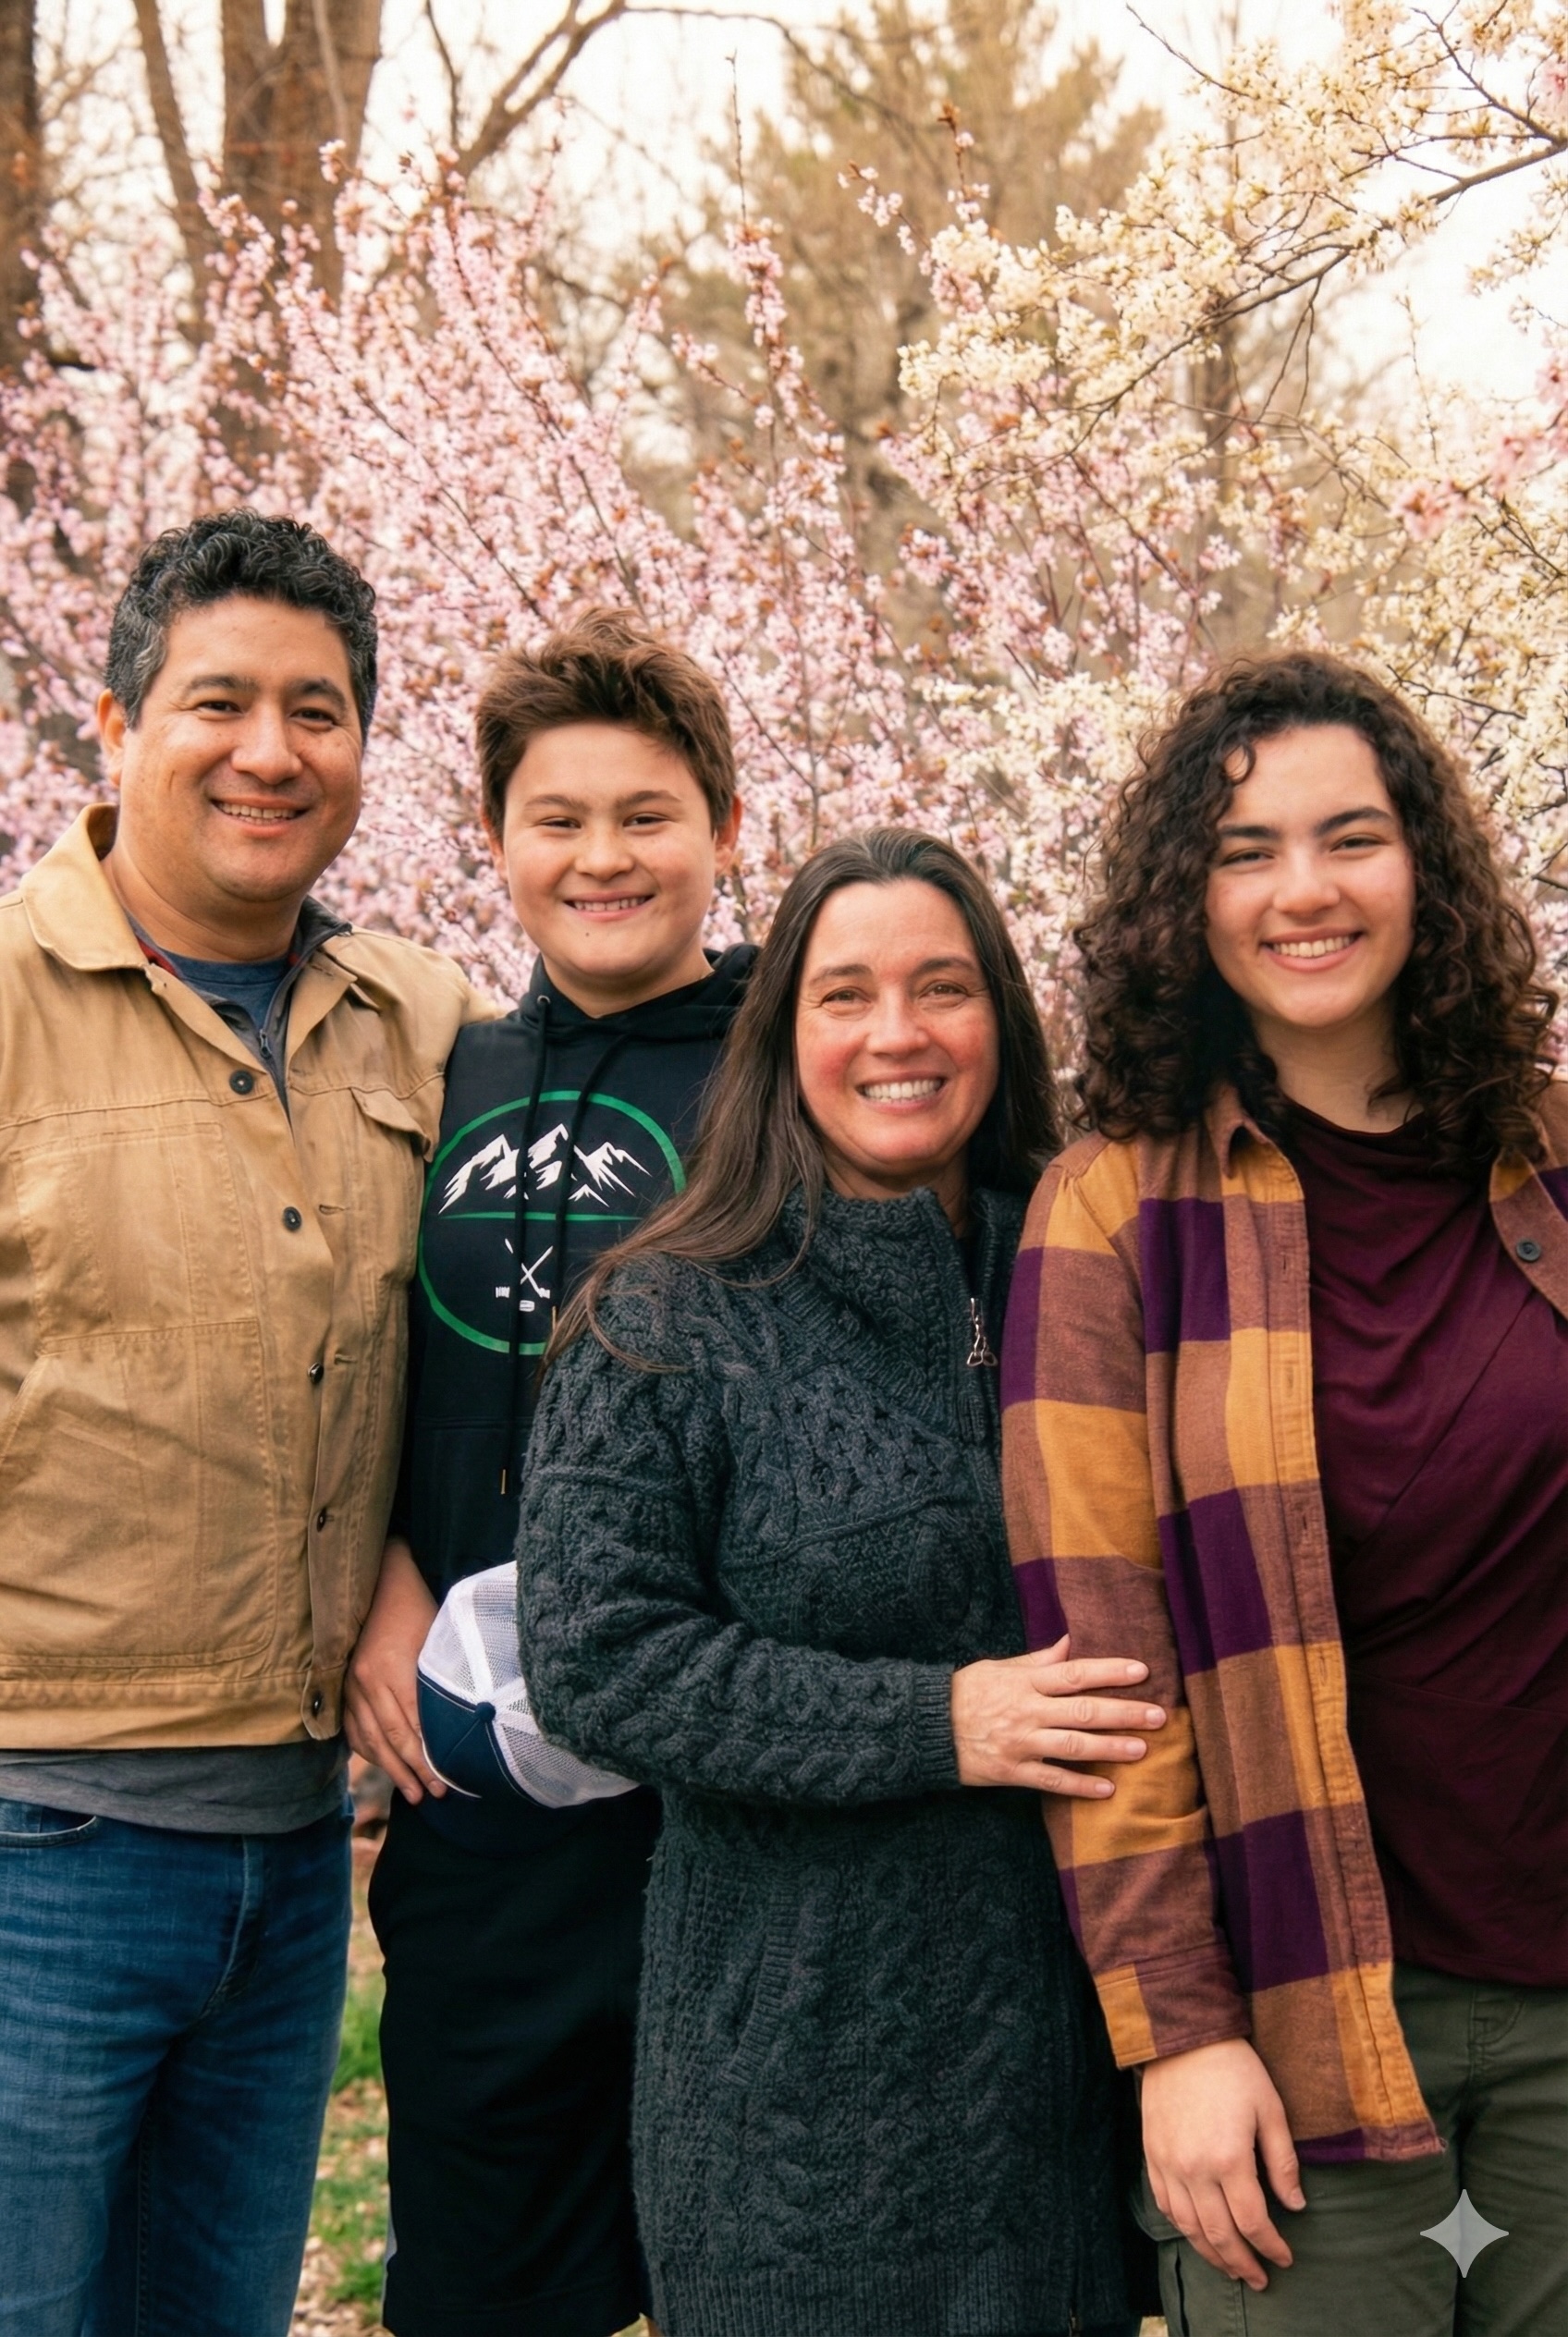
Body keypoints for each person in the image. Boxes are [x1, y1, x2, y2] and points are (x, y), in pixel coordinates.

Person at [516, 826, 1167, 2337]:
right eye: (845, 994)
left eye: (942, 988)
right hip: (797, 2099)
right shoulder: (667, 1316)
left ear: (1000, 1018)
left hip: (1074, 2080)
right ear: (781, 1035)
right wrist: (942, 1723)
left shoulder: (1097, 1275)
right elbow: (595, 1661)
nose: (897, 1035)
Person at [1002, 650, 1568, 2337]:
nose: (1303, 891)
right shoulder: (1117, 1213)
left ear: (1426, 869)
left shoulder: (1554, 1156)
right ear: (1189, 900)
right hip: (1306, 2026)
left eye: (1352, 838)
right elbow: (1104, 1674)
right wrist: (1178, 2034)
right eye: (1247, 851)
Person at [0, 510, 487, 2336]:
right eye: (218, 702)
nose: (269, 752)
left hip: (293, 1872)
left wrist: (405, 1557)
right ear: (117, 727)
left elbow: (494, 1351)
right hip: (35, 1845)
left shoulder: (421, 1026)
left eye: (318, 710)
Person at [344, 608, 753, 2337]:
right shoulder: (447, 1073)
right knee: (487, 2293)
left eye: (646, 815)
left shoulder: (793, 1075)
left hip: (724, 1817)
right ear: (494, 839)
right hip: (482, 1820)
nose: (602, 858)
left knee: (755, 2279)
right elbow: (363, 1365)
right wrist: (380, 1573)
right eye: (556, 819)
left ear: (722, 828)